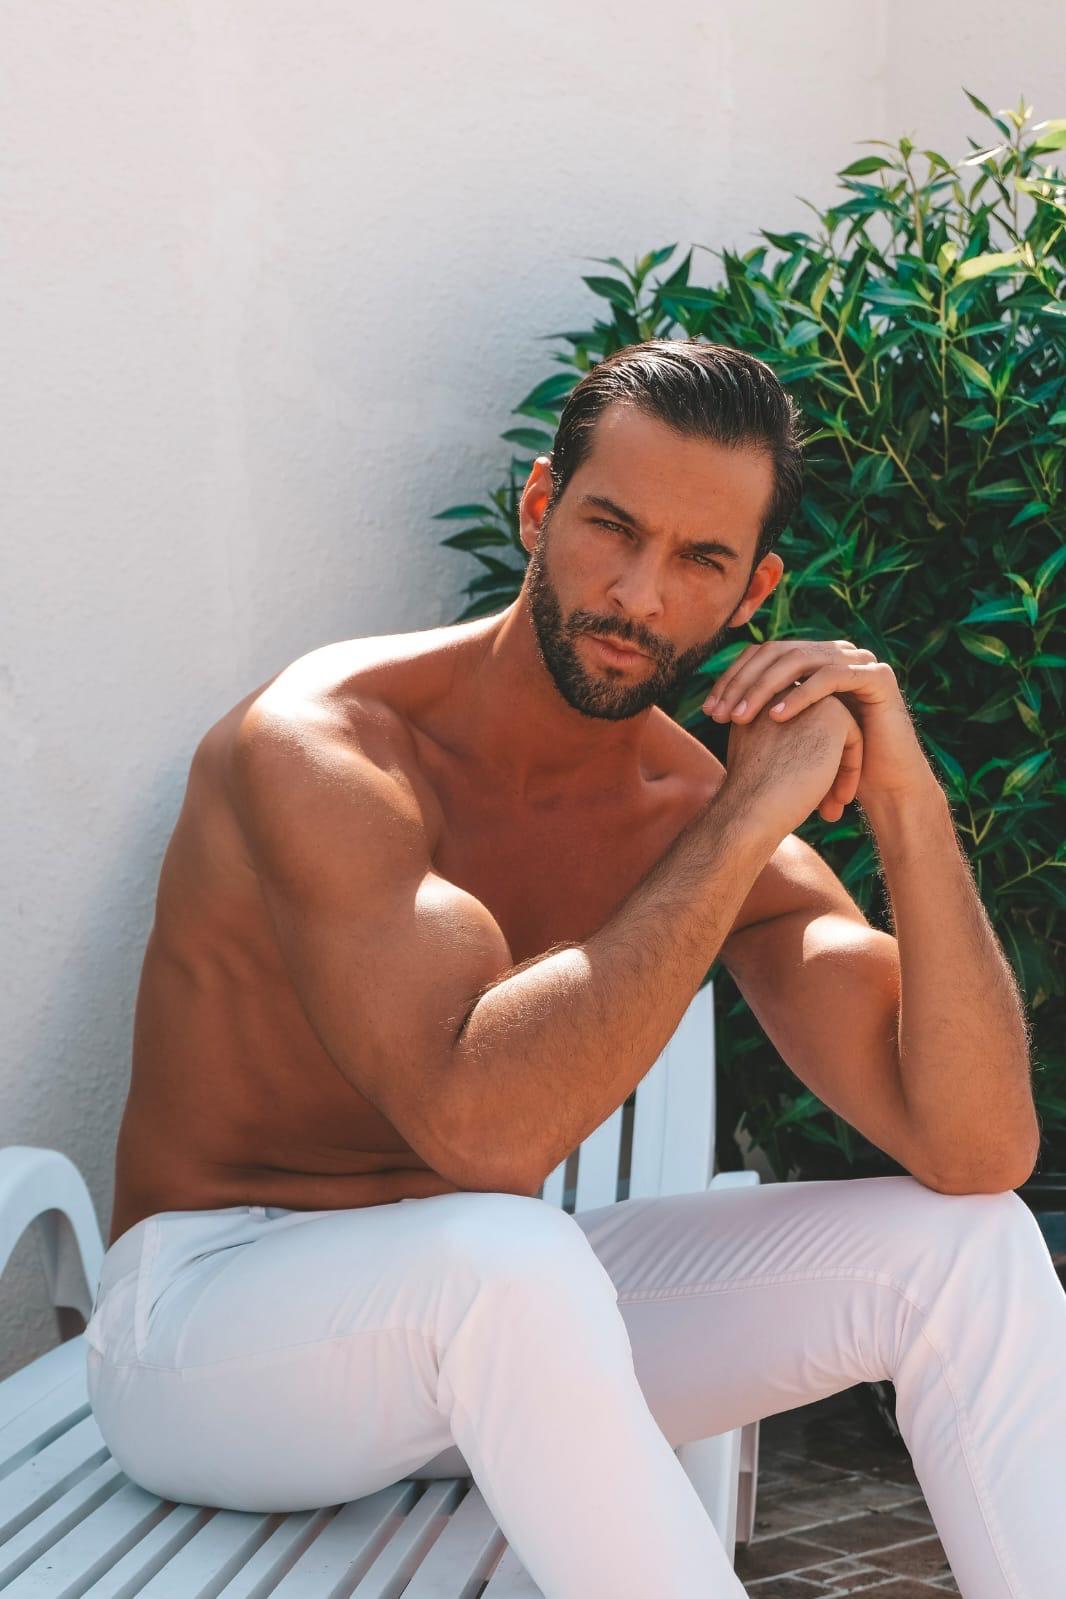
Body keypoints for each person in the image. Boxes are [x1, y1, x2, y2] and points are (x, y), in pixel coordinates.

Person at [85, 339, 1063, 1599]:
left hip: (495, 1340)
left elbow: (977, 1149)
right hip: (206, 1331)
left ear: (752, 592)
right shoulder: (331, 749)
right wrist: (736, 821)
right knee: (512, 1254)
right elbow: (480, 1133)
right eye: (612, 528)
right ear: (540, 507)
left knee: (965, 1246)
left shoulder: (689, 811)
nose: (639, 596)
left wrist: (908, 799)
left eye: (699, 559)